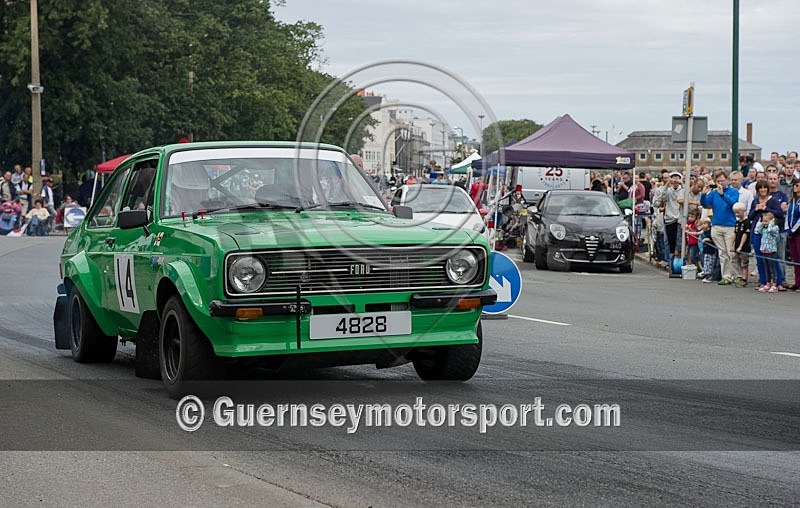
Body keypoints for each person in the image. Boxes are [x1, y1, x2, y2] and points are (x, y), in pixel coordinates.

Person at [699, 171, 739, 285]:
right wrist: (704, 194)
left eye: (722, 180)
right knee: (722, 253)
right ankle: (726, 275)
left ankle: (735, 275)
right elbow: (705, 204)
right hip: (716, 225)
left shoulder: (733, 191)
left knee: (731, 253)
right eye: (718, 181)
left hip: (729, 225)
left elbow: (734, 203)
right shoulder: (713, 192)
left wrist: (722, 194)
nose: (720, 183)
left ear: (727, 180)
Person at [748, 181, 784, 291]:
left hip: (769, 234)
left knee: (772, 258)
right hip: (757, 232)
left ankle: (777, 282)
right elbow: (750, 216)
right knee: (760, 259)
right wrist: (756, 209)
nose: (762, 190)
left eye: (764, 188)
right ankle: (763, 281)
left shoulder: (773, 201)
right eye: (760, 188)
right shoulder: (755, 201)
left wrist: (766, 209)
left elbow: (779, 213)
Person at [755, 212, 780, 293]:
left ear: (772, 221)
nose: (764, 223)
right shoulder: (764, 229)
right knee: (767, 268)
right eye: (763, 221)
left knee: (772, 269)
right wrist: (761, 223)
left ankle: (774, 284)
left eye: (766, 221)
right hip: (764, 250)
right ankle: (768, 283)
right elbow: (757, 231)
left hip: (771, 250)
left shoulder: (775, 228)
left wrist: (771, 223)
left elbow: (770, 231)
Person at [731, 202, 751, 287]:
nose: (737, 214)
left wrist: (740, 246)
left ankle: (744, 278)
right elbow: (735, 234)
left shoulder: (747, 222)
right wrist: (732, 245)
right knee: (738, 262)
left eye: (738, 212)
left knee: (744, 264)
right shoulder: (737, 222)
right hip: (737, 246)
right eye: (735, 212)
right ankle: (739, 276)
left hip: (744, 247)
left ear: (743, 211)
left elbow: (745, 235)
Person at [785, 179, 800, 291]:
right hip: (791, 233)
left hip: (798, 233)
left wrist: (793, 230)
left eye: (798, 185)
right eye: (795, 185)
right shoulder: (791, 201)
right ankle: (797, 281)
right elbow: (788, 216)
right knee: (795, 258)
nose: (795, 187)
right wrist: (787, 229)